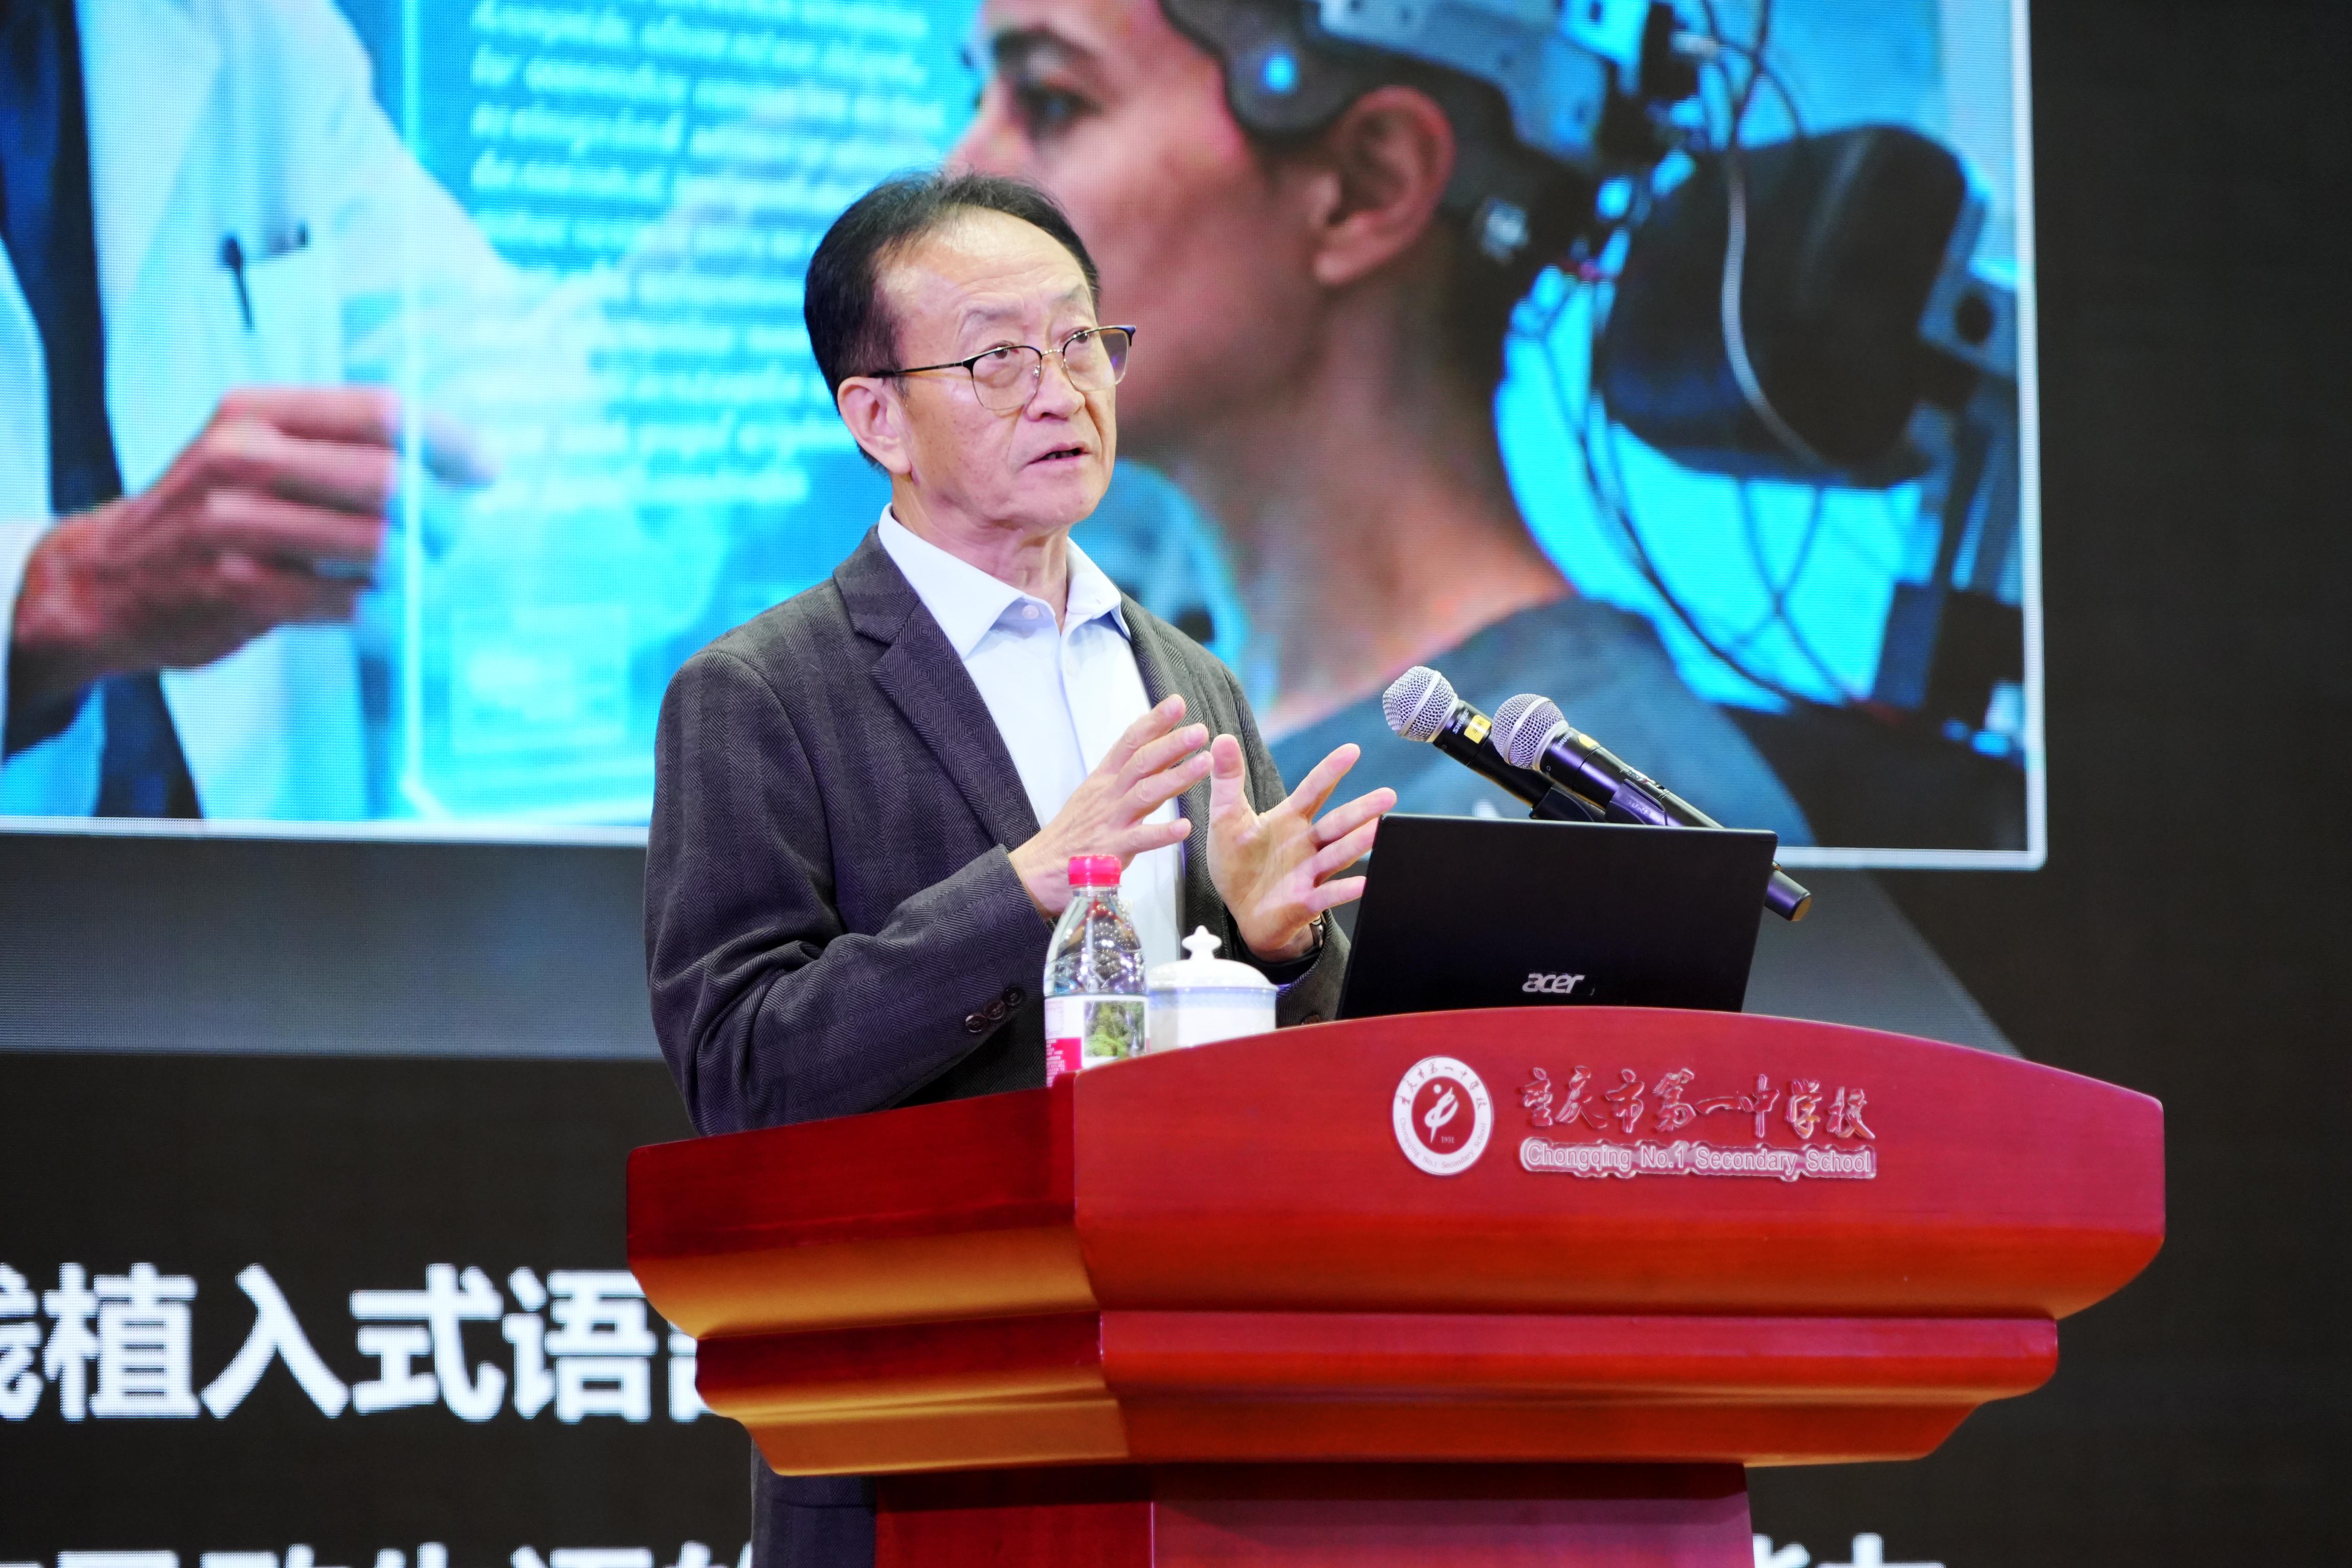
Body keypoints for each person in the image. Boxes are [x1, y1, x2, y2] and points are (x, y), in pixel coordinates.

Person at [643, 169, 1395, 1567]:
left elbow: (1290, 1097)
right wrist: (1024, 889)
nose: (1062, 393)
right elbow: (744, 1074)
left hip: (1203, 1408)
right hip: (923, 1425)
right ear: (877, 418)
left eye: (1080, 342)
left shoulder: (1194, 685)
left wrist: (1275, 950)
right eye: (999, 360)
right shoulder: (763, 694)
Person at [949, 0, 1810, 840]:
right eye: (976, 99)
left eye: (1052, 101)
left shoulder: (1605, 840)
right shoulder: (1132, 722)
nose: (958, 177)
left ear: (1366, 188)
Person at [0, 0, 520, 819]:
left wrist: (662, 312)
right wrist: (52, 597)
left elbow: (497, 384)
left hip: (264, 858)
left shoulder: (264, 34)